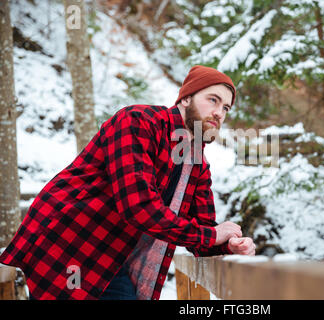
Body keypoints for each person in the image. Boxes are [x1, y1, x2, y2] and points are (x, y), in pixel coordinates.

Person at [0, 65, 256, 300]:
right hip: (69, 243)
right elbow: (139, 207)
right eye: (213, 100)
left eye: (225, 108)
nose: (218, 113)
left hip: (114, 258)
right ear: (186, 98)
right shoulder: (138, 122)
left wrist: (229, 246)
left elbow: (200, 233)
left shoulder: (197, 163)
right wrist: (212, 235)